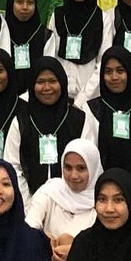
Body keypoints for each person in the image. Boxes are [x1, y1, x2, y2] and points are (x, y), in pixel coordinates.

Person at [7, 57, 85, 192]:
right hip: (29, 199)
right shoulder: (21, 121)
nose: (47, 87)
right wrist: (30, 202)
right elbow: (13, 165)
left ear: (62, 83)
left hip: (73, 198)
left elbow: (87, 164)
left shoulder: (79, 119)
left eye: (53, 81)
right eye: (40, 82)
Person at [24, 140, 101, 261]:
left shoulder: (102, 201)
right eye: (68, 167)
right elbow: (29, 229)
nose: (73, 175)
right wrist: (47, 247)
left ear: (93, 168)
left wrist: (75, 252)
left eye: (81, 168)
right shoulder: (50, 191)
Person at [84, 48, 131, 179]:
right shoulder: (92, 109)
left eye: (120, 71)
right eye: (108, 72)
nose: (114, 77)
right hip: (99, 183)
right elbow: (88, 154)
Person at [48, 0, 107, 101]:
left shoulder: (102, 18)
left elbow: (104, 61)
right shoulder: (57, 16)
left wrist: (83, 98)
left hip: (90, 96)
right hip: (58, 93)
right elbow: (50, 56)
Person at [0, 0, 49, 96]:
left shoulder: (45, 36)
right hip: (5, 96)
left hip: (37, 96)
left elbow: (47, 72)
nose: (25, 7)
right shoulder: (0, 33)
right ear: (11, 3)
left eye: (30, 2)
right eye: (19, 2)